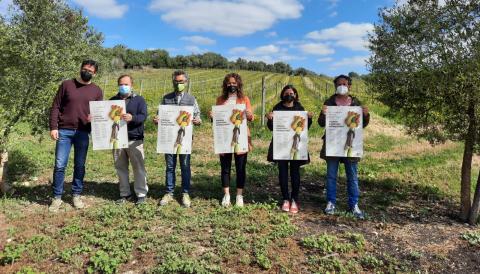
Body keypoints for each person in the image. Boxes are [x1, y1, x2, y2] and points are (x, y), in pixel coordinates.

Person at [48, 60, 103, 212]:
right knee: (60, 165)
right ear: (80, 69)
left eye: (90, 71)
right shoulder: (67, 84)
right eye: (85, 69)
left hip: (83, 132)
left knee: (80, 165)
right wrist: (53, 127)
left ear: (95, 73)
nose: (87, 72)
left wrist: (95, 119)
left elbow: (100, 114)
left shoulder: (97, 91)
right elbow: (56, 106)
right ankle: (57, 197)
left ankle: (76, 194)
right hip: (64, 131)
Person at [318, 74, 370, 219]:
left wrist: (366, 115)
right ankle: (331, 203)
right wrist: (323, 114)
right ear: (335, 86)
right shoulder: (329, 102)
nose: (342, 86)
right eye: (339, 84)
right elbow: (321, 123)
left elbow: (363, 125)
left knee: (352, 176)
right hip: (333, 144)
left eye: (345, 84)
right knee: (331, 176)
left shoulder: (355, 103)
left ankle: (354, 205)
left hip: (351, 144)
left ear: (349, 86)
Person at [154, 70, 201, 208]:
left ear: (186, 82)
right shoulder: (166, 98)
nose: (178, 83)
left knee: (185, 166)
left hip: (185, 139)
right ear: (172, 81)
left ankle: (185, 193)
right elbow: (160, 115)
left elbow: (197, 116)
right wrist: (157, 119)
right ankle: (169, 192)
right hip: (169, 138)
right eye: (176, 81)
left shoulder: (192, 99)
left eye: (181, 81)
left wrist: (198, 120)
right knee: (170, 166)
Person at [266, 85, 313, 213]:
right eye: (287, 93)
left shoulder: (300, 108)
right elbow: (272, 128)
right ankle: (285, 199)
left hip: (296, 145)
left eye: (292, 93)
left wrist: (309, 118)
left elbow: (305, 127)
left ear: (295, 95)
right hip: (281, 145)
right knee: (282, 172)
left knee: (295, 172)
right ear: (283, 94)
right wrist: (270, 120)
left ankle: (295, 199)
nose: (289, 95)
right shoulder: (277, 108)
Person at [209, 73, 254, 207]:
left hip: (241, 137)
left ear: (238, 84)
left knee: (241, 168)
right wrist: (212, 116)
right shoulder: (220, 100)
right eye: (229, 83)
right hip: (224, 137)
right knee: (225, 167)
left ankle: (239, 195)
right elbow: (217, 120)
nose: (231, 85)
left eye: (234, 83)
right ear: (225, 84)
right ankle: (226, 194)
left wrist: (249, 114)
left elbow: (251, 117)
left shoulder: (244, 99)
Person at [110, 75, 148, 205]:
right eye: (121, 84)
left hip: (134, 139)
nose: (123, 86)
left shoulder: (139, 100)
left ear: (132, 85)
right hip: (117, 139)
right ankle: (125, 193)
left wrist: (133, 118)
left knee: (138, 167)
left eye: (126, 84)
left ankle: (141, 193)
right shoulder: (112, 101)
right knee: (120, 167)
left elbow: (143, 116)